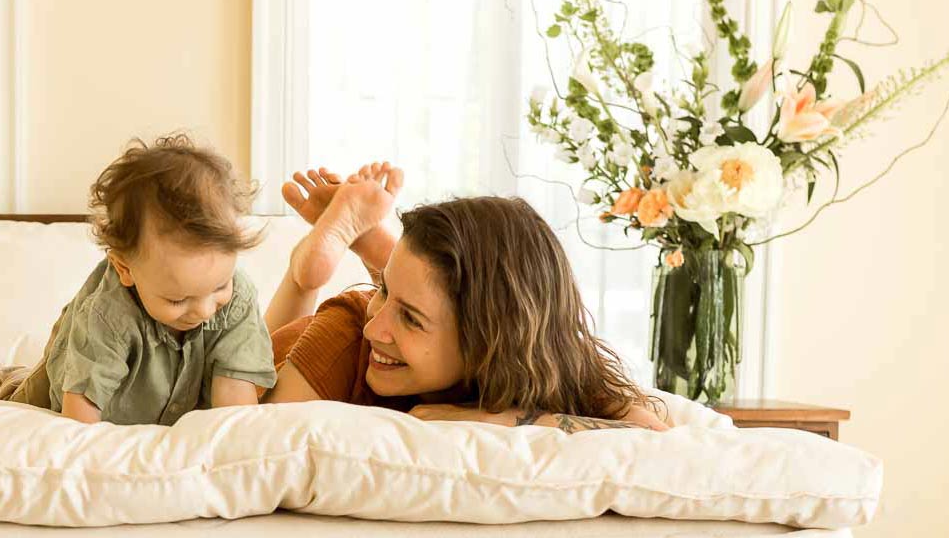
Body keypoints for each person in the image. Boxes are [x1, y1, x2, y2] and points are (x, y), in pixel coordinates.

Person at [264, 163, 669, 431]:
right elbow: (258, 434)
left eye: (411, 318)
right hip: (271, 359)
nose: (377, 326)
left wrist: (499, 418)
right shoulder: (350, 334)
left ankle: (377, 249)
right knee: (251, 357)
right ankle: (311, 274)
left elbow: (650, 430)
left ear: (494, 338)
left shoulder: (543, 355)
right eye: (384, 290)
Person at [0, 134, 277, 425]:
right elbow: (79, 414)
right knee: (33, 396)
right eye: (177, 299)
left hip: (180, 396)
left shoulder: (238, 298)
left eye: (220, 287)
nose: (206, 310)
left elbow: (236, 402)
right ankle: (6, 381)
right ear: (125, 269)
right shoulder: (107, 315)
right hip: (78, 380)